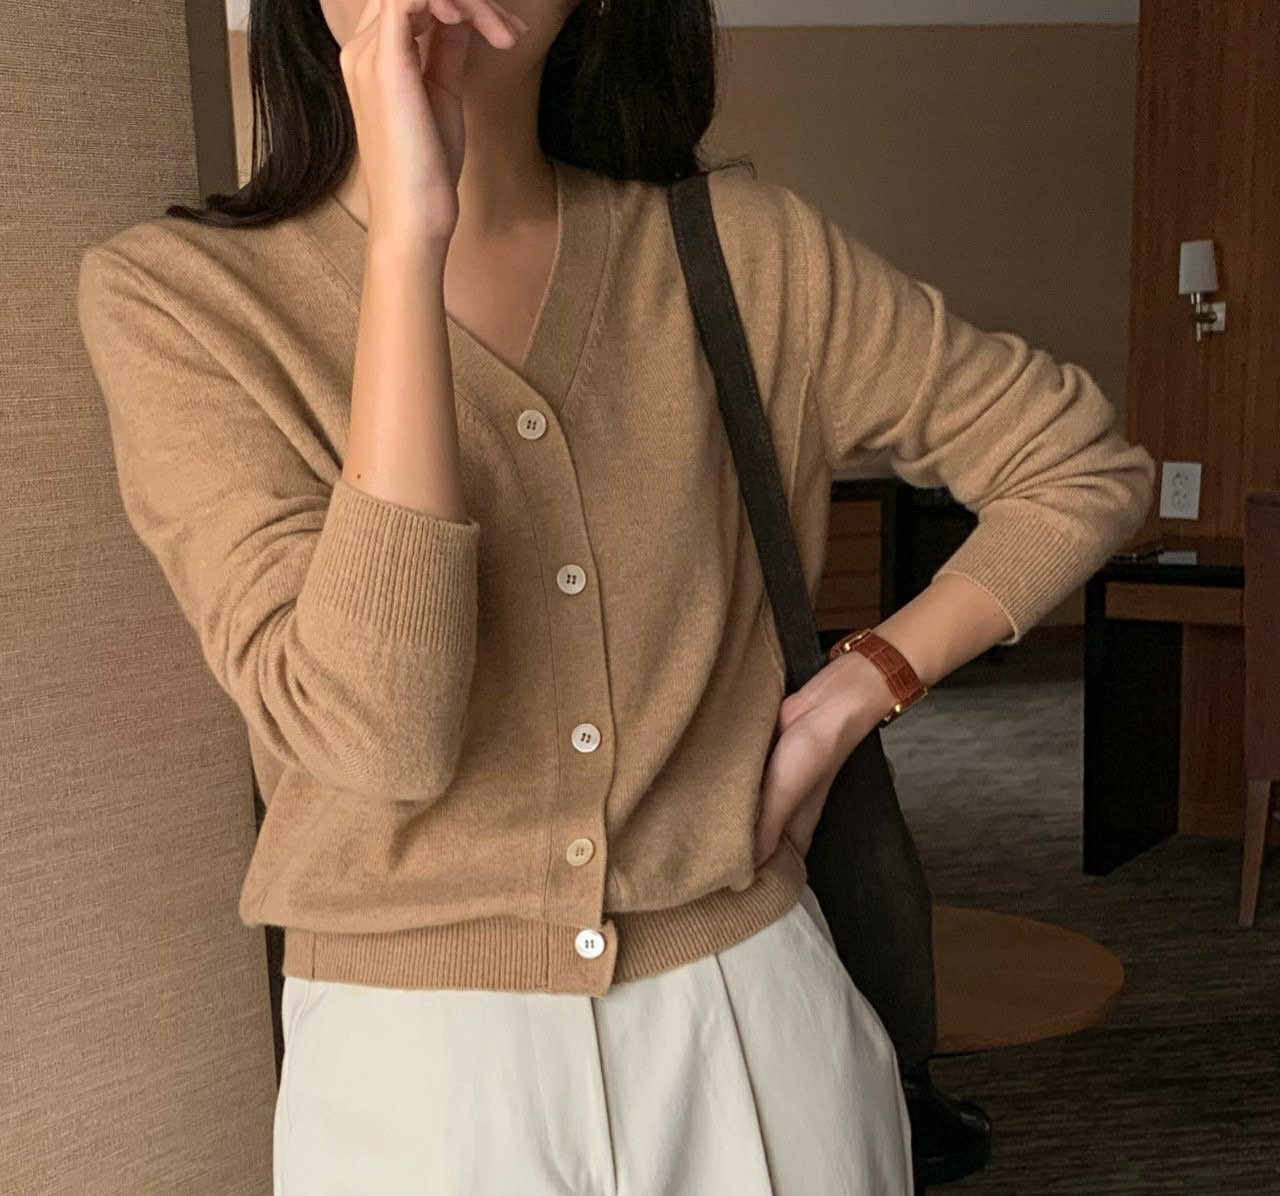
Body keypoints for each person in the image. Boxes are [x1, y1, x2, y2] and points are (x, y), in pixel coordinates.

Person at [75, 0, 1156, 1192]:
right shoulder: (181, 300)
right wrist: (404, 252)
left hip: (754, 1024)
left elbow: (1078, 467)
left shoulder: (746, 254)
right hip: (414, 1079)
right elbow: (378, 735)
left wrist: (867, 680)